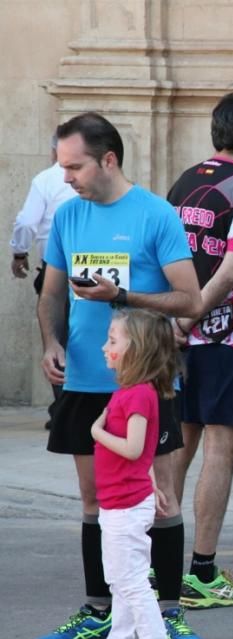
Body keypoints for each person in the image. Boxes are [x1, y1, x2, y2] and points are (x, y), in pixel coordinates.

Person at [32, 113, 203, 639]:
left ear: (108, 159)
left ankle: (170, 615)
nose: (67, 178)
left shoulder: (156, 215)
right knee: (94, 500)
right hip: (83, 378)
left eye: (75, 166)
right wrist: (50, 343)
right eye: (63, 167)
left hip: (146, 383)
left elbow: (189, 300)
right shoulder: (68, 215)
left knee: (162, 498)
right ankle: (98, 611)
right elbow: (52, 293)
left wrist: (122, 297)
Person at [167, 92, 233, 609]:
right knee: (221, 446)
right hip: (222, 333)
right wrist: (192, 317)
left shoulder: (185, 180)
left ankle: (157, 563)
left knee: (179, 445)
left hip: (175, 331)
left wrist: (173, 319)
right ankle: (203, 573)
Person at [88, 309, 180, 639]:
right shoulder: (131, 393)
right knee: (122, 580)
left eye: (112, 340)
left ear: (136, 349)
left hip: (125, 505)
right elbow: (147, 453)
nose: (104, 347)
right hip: (121, 501)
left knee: (131, 583)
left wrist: (97, 433)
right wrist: (153, 484)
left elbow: (135, 448)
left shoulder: (137, 396)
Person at [10, 133, 77, 426]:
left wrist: (19, 253)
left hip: (55, 268)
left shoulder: (46, 180)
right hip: (95, 266)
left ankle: (64, 408)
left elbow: (26, 222)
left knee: (56, 339)